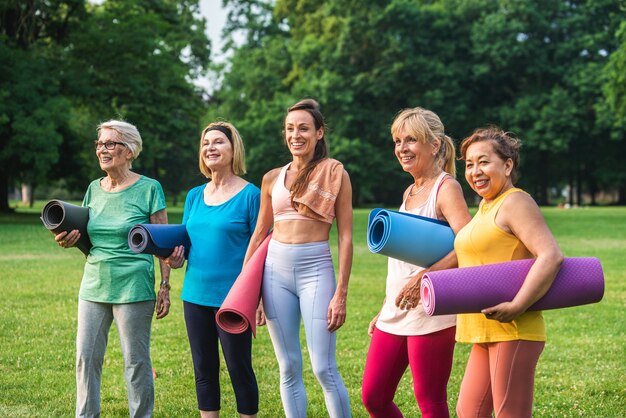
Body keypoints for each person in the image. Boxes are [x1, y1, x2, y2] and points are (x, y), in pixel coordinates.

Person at [53, 120, 171, 418]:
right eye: (99, 144)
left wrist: (165, 286)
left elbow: (164, 241)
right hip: (94, 284)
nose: (102, 150)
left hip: (133, 287)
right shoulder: (94, 189)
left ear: (129, 150)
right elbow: (86, 237)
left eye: (110, 144)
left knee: (136, 361)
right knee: (86, 358)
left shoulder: (149, 188)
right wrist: (69, 239)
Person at [244, 99, 352, 418]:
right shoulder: (271, 178)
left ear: (319, 133)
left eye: (304, 128)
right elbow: (261, 232)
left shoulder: (334, 174)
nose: (296, 135)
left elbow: (346, 236)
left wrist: (341, 293)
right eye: (290, 129)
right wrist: (251, 291)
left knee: (323, 367)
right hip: (274, 273)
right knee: (288, 366)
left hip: (316, 270)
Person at [361, 107, 472, 418]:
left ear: (433, 145)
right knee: (374, 397)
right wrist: (385, 306)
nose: (401, 148)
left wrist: (425, 276)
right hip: (396, 311)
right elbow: (403, 261)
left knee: (430, 401)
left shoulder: (446, 187)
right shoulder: (409, 190)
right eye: (397, 141)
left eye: (410, 140)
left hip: (430, 308)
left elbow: (469, 245)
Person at [455, 127, 564, 417]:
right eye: (468, 164)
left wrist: (518, 305)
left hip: (514, 328)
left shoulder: (515, 201)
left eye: (483, 161)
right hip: (485, 329)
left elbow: (550, 255)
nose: (475, 171)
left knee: (509, 413)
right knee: (469, 412)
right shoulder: (485, 205)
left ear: (507, 165)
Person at [162, 121, 260, 418]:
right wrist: (175, 258)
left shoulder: (251, 195)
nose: (210, 148)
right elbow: (188, 245)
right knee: (203, 370)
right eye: (206, 143)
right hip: (195, 295)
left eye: (218, 142)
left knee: (238, 369)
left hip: (234, 299)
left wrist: (260, 301)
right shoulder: (194, 196)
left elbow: (259, 254)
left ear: (234, 150)